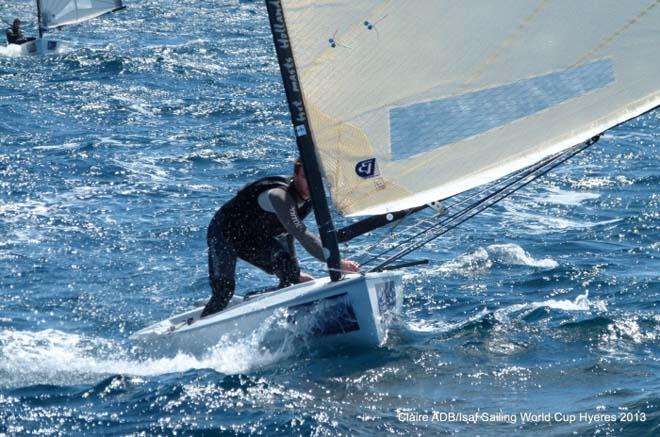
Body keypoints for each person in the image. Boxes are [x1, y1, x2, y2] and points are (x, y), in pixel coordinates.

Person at [202, 158, 360, 317]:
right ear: (296, 176)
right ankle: (201, 327)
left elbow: (287, 231)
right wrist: (336, 262)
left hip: (255, 238)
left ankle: (260, 306)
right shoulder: (280, 196)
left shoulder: (310, 198)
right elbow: (300, 232)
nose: (311, 183)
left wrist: (295, 273)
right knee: (223, 290)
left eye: (315, 178)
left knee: (290, 272)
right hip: (224, 233)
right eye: (306, 177)